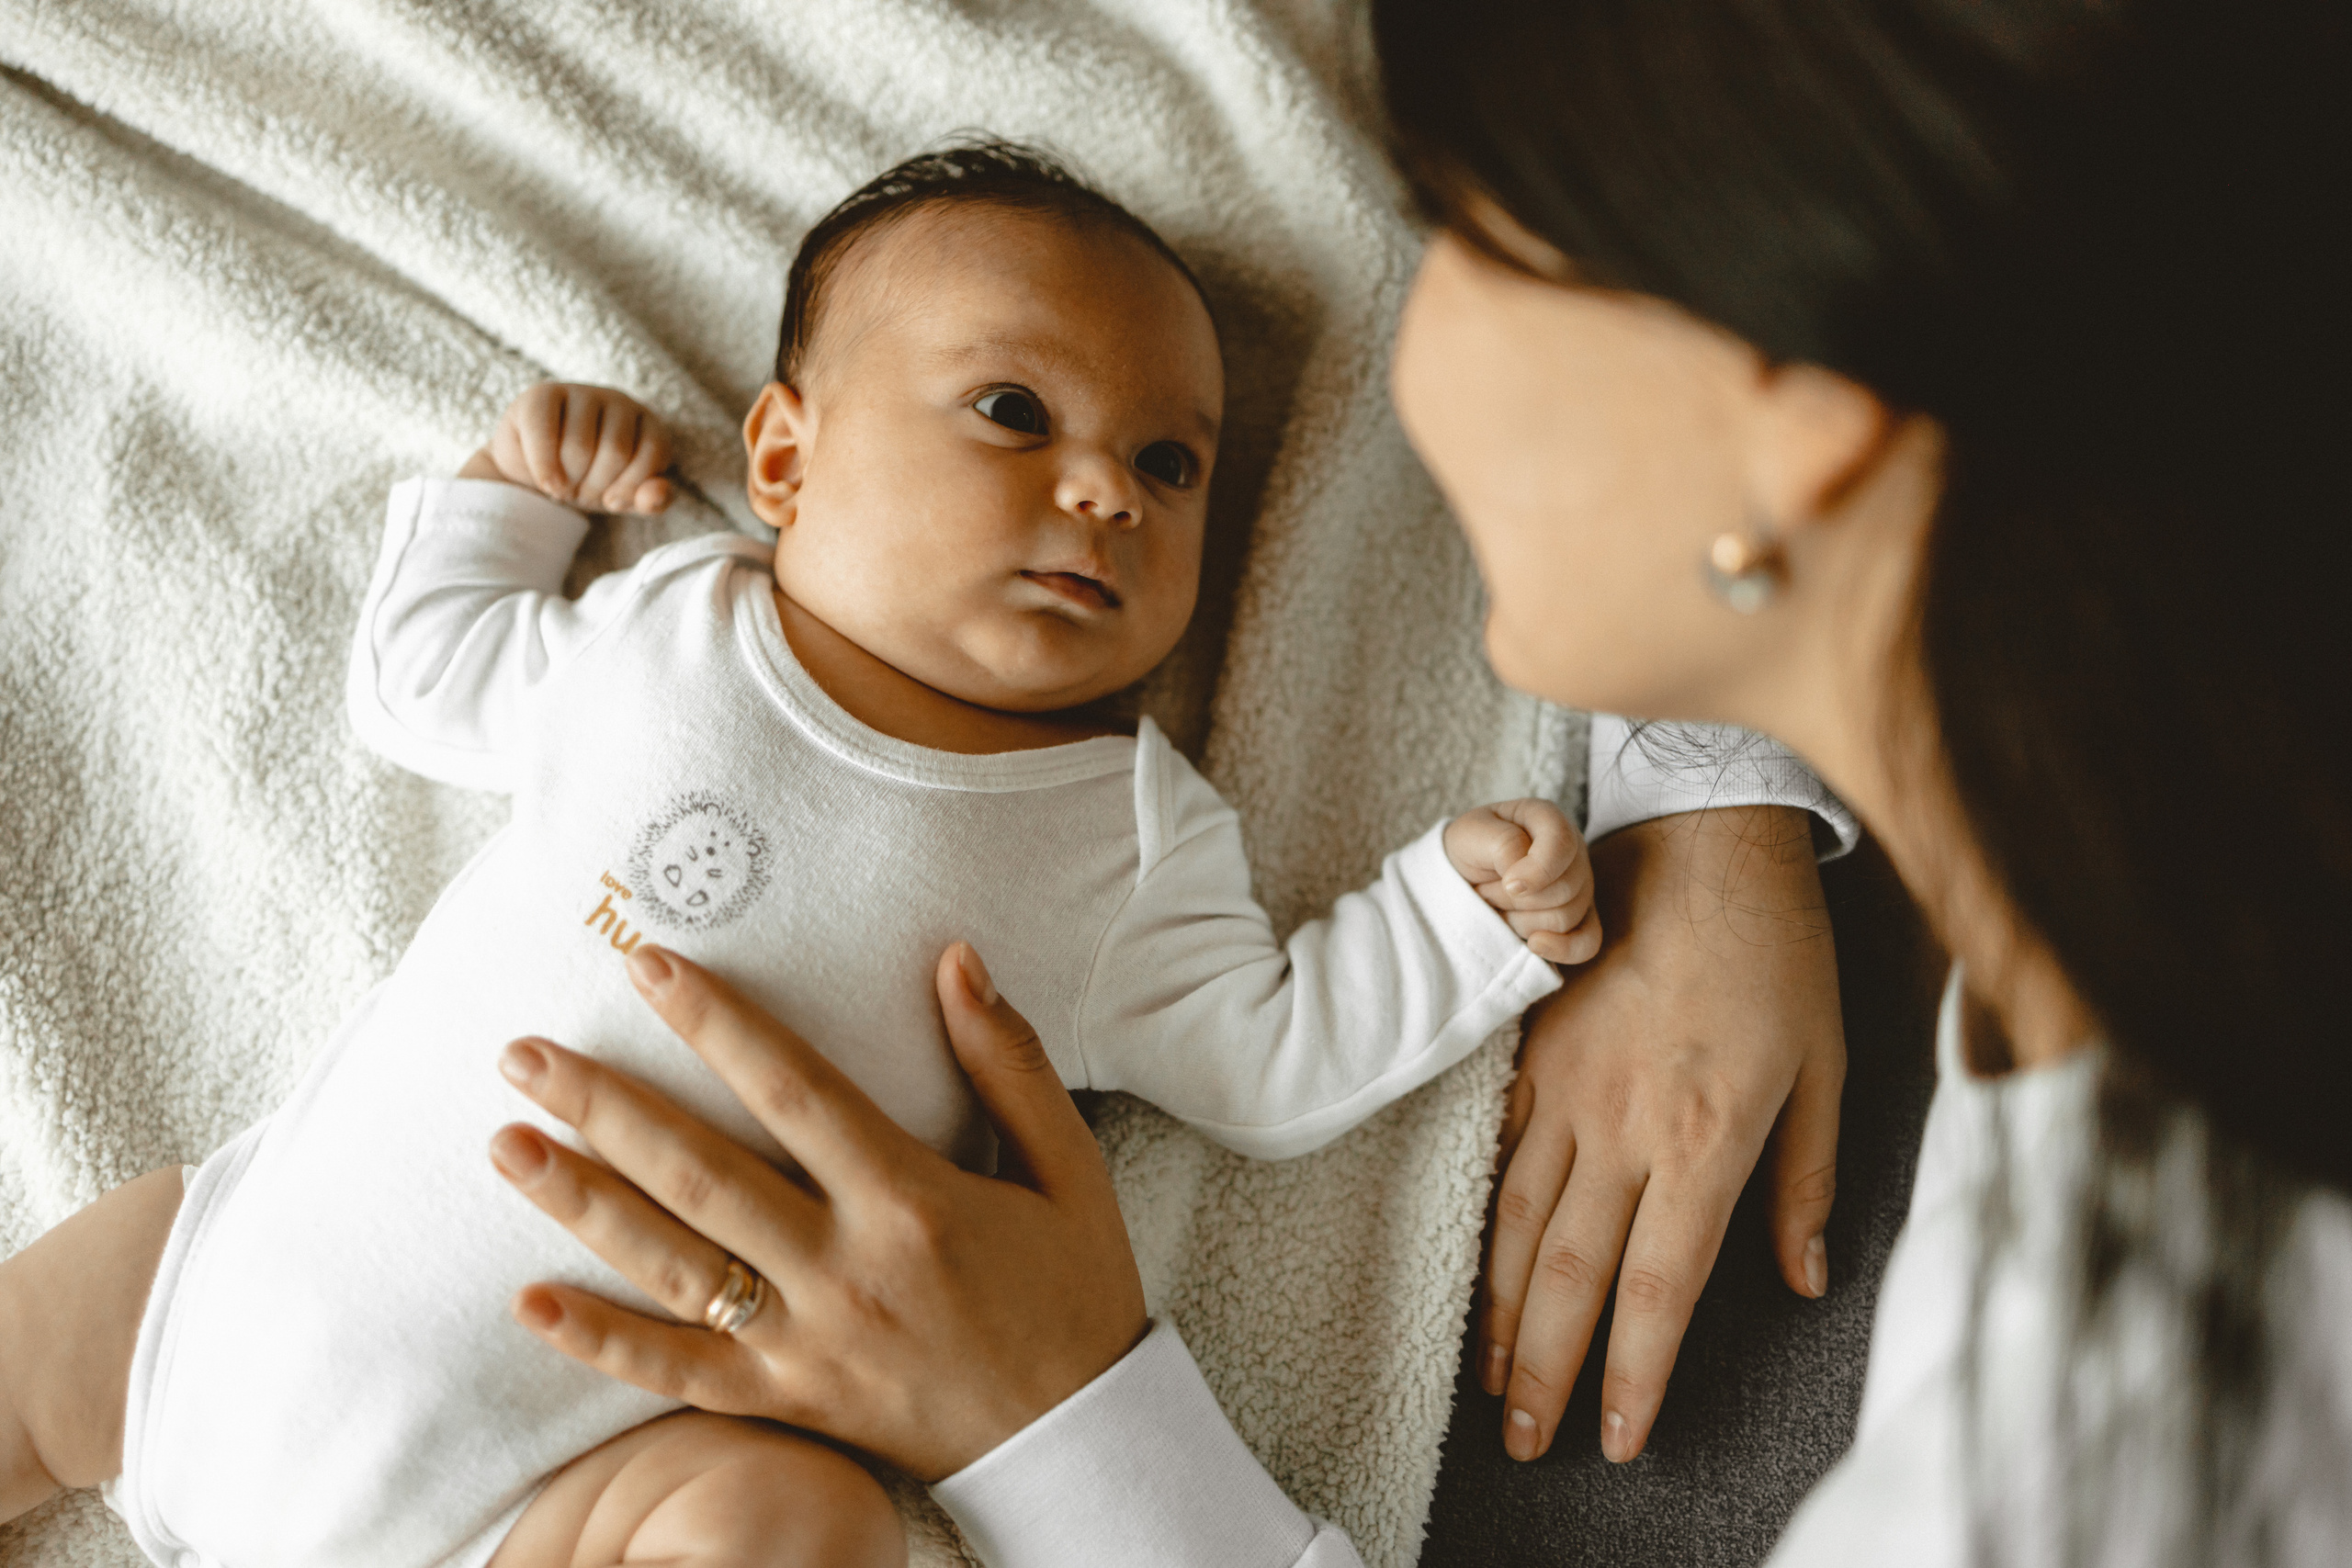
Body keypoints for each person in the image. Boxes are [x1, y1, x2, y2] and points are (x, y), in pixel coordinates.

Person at [469, 1, 2352, 1565]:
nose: (1400, 337)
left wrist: (1049, 1407)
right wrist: (1715, 783)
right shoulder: (2160, 918)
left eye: (1470, 241)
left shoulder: (2133, 1449)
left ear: (1798, 423)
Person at [0, 142, 1620, 1568]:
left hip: (542, 1499)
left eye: (1168, 464)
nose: (1103, 493)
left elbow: (1266, 1057)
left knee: (797, 1529)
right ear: (783, 460)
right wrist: (515, 491)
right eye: (1014, 411)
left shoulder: (1120, 834)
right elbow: (425, 677)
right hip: (208, 1308)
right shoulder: (671, 627)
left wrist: (1456, 915)